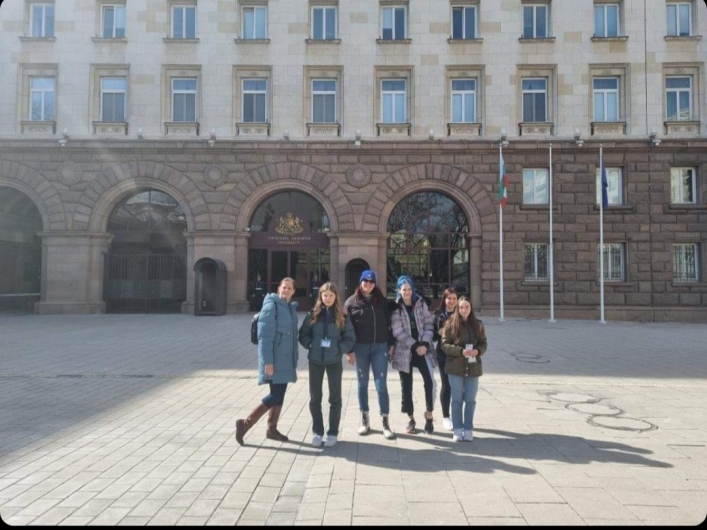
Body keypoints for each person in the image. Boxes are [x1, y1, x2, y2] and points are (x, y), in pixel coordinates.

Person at [236, 277, 299, 445]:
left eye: (289, 288)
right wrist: (268, 362)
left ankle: (272, 429)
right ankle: (245, 424)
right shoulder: (272, 305)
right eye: (284, 287)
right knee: (275, 394)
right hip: (275, 360)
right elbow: (264, 337)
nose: (286, 290)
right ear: (279, 289)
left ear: (293, 291)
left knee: (279, 394)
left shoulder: (291, 308)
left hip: (286, 360)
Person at [298, 282, 356, 448]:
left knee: (335, 398)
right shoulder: (313, 314)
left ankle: (332, 433)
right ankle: (317, 432)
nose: (328, 298)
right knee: (315, 397)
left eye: (331, 295)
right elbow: (303, 334)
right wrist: (311, 344)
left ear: (335, 297)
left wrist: (339, 349)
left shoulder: (342, 316)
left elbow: (350, 337)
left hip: (334, 361)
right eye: (325, 295)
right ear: (321, 297)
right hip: (315, 361)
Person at [344, 269, 395, 440]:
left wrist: (391, 344)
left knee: (381, 385)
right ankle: (365, 419)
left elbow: (390, 324)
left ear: (374, 284)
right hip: (360, 348)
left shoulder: (382, 301)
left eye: (371, 281)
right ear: (360, 282)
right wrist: (348, 350)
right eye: (365, 281)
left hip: (380, 347)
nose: (368, 284)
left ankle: (385, 421)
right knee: (362, 384)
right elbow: (345, 329)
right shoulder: (351, 303)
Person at [390, 276, 436, 434]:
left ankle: (429, 415)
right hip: (405, 350)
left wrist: (425, 344)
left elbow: (429, 324)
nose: (407, 292)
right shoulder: (395, 307)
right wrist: (414, 345)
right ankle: (411, 418)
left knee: (429, 382)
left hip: (423, 349)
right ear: (399, 290)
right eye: (404, 289)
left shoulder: (421, 303)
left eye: (409, 289)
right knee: (406, 386)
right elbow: (397, 331)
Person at [440, 296, 487, 442]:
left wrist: (477, 351)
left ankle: (468, 429)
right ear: (457, 309)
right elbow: (444, 345)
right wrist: (461, 351)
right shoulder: (450, 324)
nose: (464, 310)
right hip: (455, 368)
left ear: (471, 308)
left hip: (473, 368)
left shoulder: (478, 325)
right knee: (457, 400)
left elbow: (483, 343)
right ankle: (457, 429)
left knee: (470, 400)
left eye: (467, 307)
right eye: (461, 307)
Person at [433, 287, 459, 431]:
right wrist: (439, 332)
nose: (452, 301)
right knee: (446, 384)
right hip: (443, 354)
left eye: (454, 299)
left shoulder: (461, 313)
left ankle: (457, 415)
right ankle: (446, 416)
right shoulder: (438, 315)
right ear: (444, 299)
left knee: (458, 385)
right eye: (449, 298)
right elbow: (431, 335)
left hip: (459, 354)